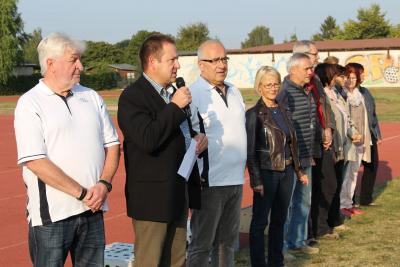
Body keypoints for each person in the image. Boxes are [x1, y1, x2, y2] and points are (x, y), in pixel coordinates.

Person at [14, 32, 120, 266]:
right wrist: (82, 194)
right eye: (73, 60)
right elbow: (36, 162)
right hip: (52, 218)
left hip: (92, 211)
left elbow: (113, 145)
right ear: (50, 63)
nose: (80, 66)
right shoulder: (30, 103)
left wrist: (104, 184)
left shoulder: (91, 97)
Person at [118, 34, 207, 267]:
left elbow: (174, 134)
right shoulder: (133, 97)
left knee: (177, 260)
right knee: (151, 262)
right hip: (152, 201)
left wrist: (194, 140)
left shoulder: (171, 94)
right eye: (172, 60)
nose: (178, 65)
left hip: (178, 194)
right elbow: (148, 138)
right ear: (152, 61)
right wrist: (176, 107)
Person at [187, 40, 247, 267]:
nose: (221, 65)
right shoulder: (193, 95)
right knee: (202, 244)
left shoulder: (235, 91)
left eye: (224, 59)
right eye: (215, 60)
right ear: (201, 65)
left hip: (235, 180)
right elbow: (187, 138)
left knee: (227, 243)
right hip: (208, 183)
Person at [246, 66, 308, 267]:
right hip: (267, 174)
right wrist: (256, 181)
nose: (273, 88)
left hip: (287, 172)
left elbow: (292, 143)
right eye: (268, 84)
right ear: (260, 87)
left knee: (279, 220)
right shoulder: (254, 114)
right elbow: (251, 151)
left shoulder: (284, 110)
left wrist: (298, 171)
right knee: (259, 224)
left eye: (276, 83)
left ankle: (276, 261)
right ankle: (258, 263)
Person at [277, 53, 319, 255]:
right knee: (286, 204)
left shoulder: (306, 91)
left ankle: (298, 240)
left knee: (304, 201)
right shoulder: (285, 94)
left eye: (311, 68)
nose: (310, 72)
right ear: (293, 70)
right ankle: (282, 246)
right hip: (291, 158)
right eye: (307, 69)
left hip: (305, 155)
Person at [347, 63, 382, 206]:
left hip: (369, 134)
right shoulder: (344, 94)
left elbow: (372, 114)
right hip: (352, 137)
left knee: (372, 165)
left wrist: (377, 134)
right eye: (359, 74)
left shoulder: (365, 92)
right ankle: (351, 200)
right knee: (352, 169)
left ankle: (366, 199)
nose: (363, 76)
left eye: (360, 75)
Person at [339, 64, 372, 217]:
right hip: (347, 141)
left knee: (353, 174)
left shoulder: (360, 95)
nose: (351, 81)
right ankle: (342, 204)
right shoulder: (342, 95)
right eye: (349, 77)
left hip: (360, 140)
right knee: (345, 175)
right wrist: (352, 134)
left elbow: (365, 119)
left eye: (354, 78)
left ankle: (348, 203)